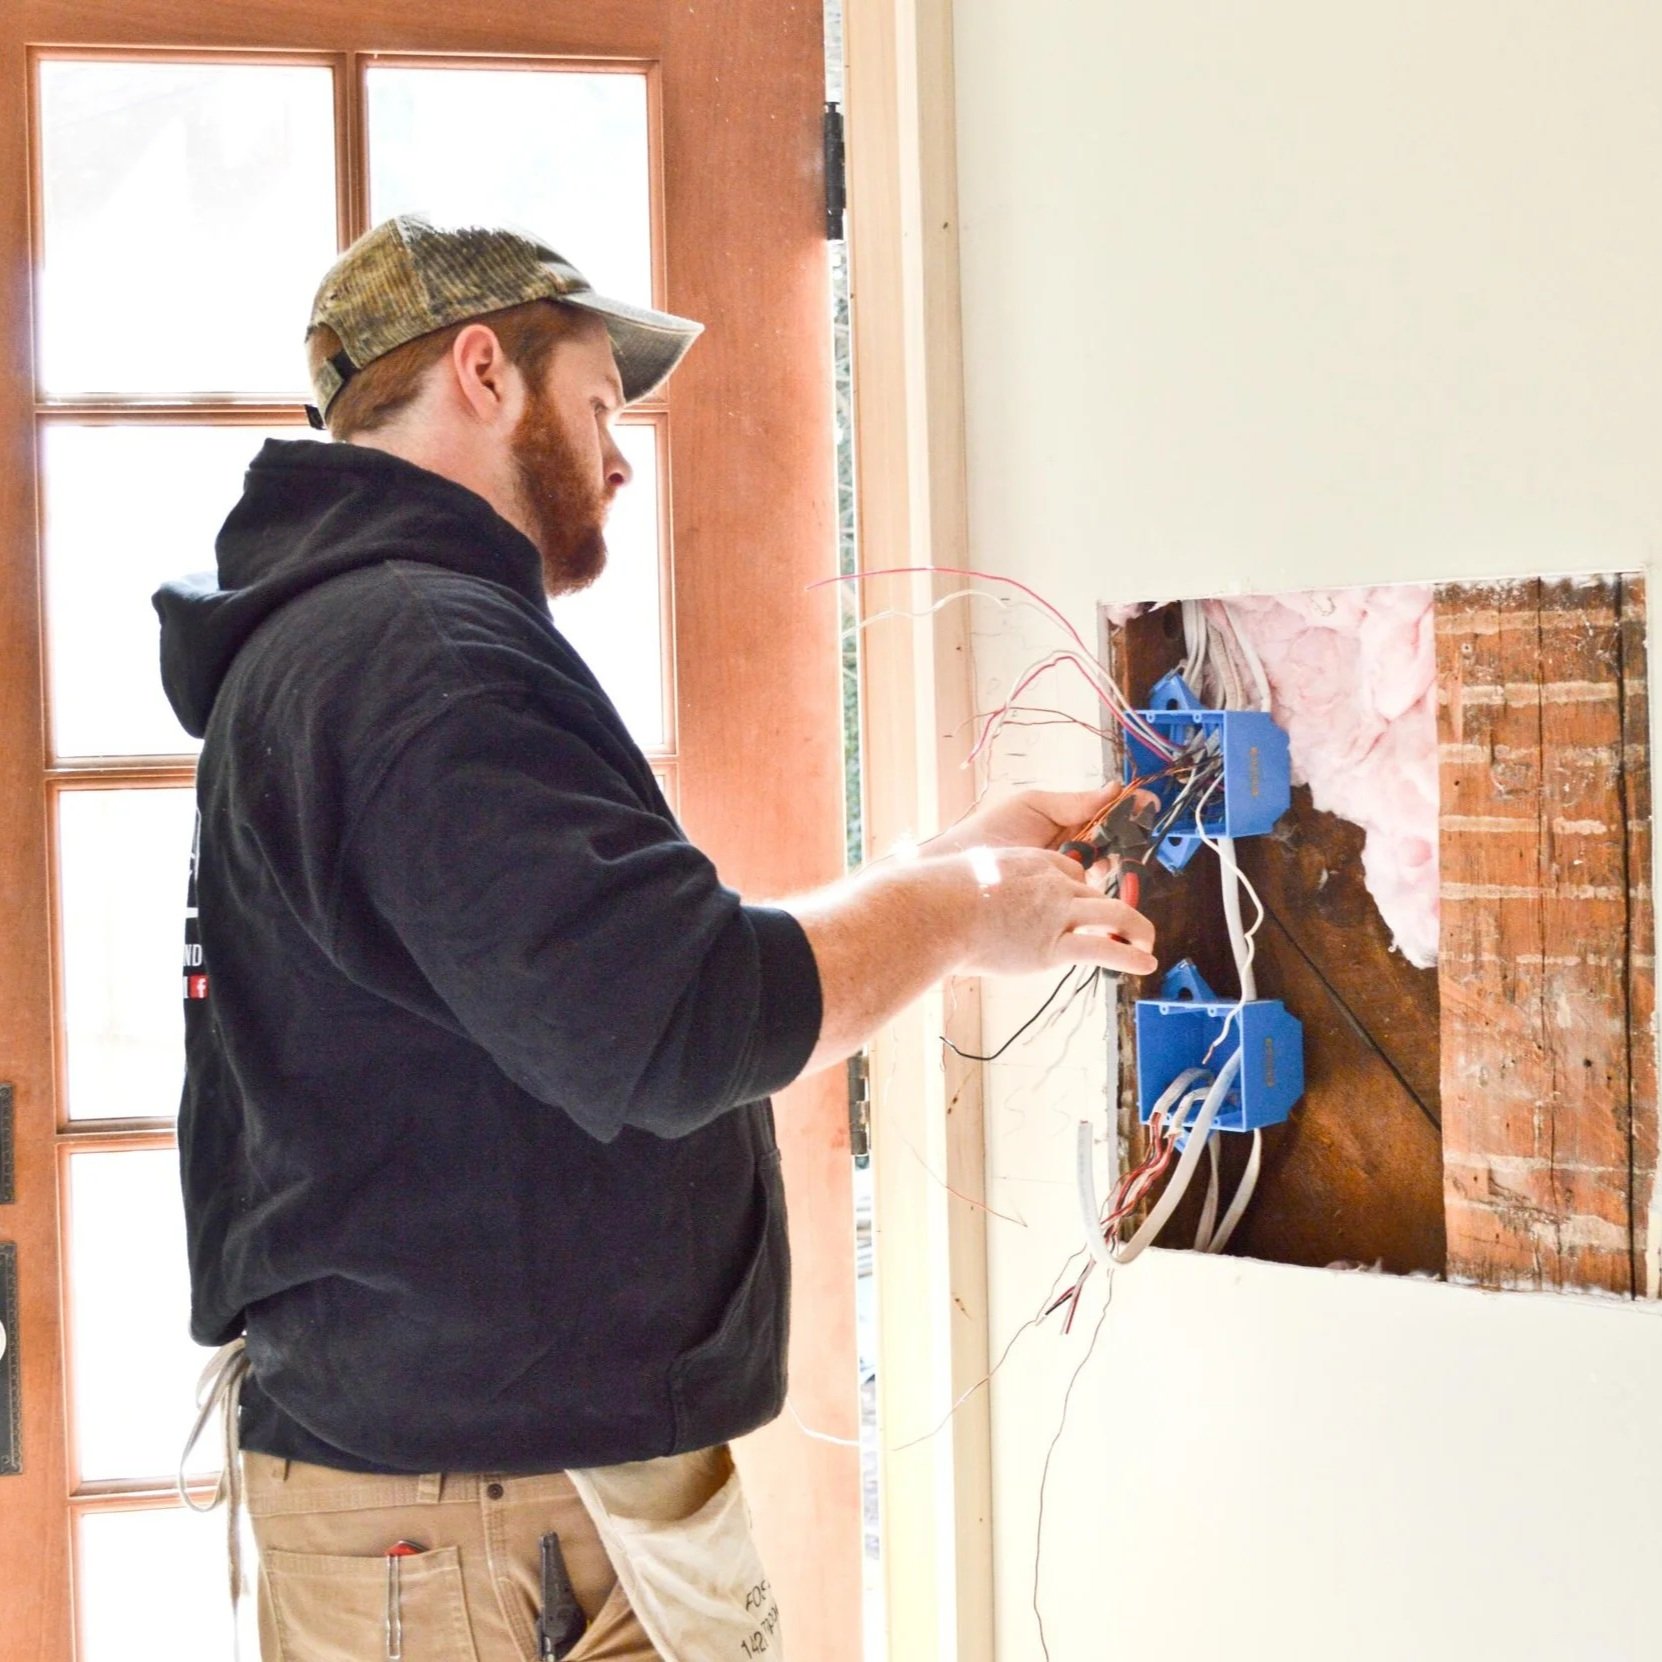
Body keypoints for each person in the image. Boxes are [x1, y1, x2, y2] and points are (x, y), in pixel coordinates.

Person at [154, 215, 1156, 1662]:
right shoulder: (420, 658)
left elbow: (616, 969)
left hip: (485, 1481)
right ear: (483, 370)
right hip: (479, 1516)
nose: (621, 458)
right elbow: (679, 1019)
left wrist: (955, 861)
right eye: (600, 405)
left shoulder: (365, 647)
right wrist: (959, 914)